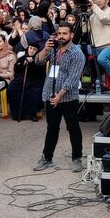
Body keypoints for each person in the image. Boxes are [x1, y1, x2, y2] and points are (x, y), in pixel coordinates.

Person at [34, 22, 85, 171]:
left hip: (68, 97)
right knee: (52, 128)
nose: (61, 36)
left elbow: (73, 78)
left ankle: (77, 158)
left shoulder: (76, 53)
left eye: (64, 34)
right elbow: (38, 61)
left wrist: (60, 95)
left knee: (73, 127)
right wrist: (45, 49)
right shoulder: (54, 49)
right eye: (59, 33)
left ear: (71, 35)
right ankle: (47, 158)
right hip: (50, 93)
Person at [87, 0, 110, 91]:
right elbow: (85, 30)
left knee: (102, 58)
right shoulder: (93, 15)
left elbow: (103, 18)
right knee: (79, 49)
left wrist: (93, 5)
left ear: (107, 0)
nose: (99, 1)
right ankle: (89, 83)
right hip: (96, 47)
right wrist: (85, 15)